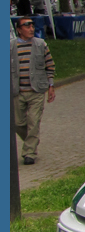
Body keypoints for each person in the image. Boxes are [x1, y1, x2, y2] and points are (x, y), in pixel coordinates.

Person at [10, 17, 56, 165]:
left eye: (32, 25)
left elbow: (50, 65)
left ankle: (29, 153)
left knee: (33, 122)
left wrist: (51, 86)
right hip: (17, 91)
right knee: (18, 123)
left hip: (36, 91)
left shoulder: (40, 44)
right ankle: (32, 141)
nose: (31, 28)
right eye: (26, 25)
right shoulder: (11, 46)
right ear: (19, 30)